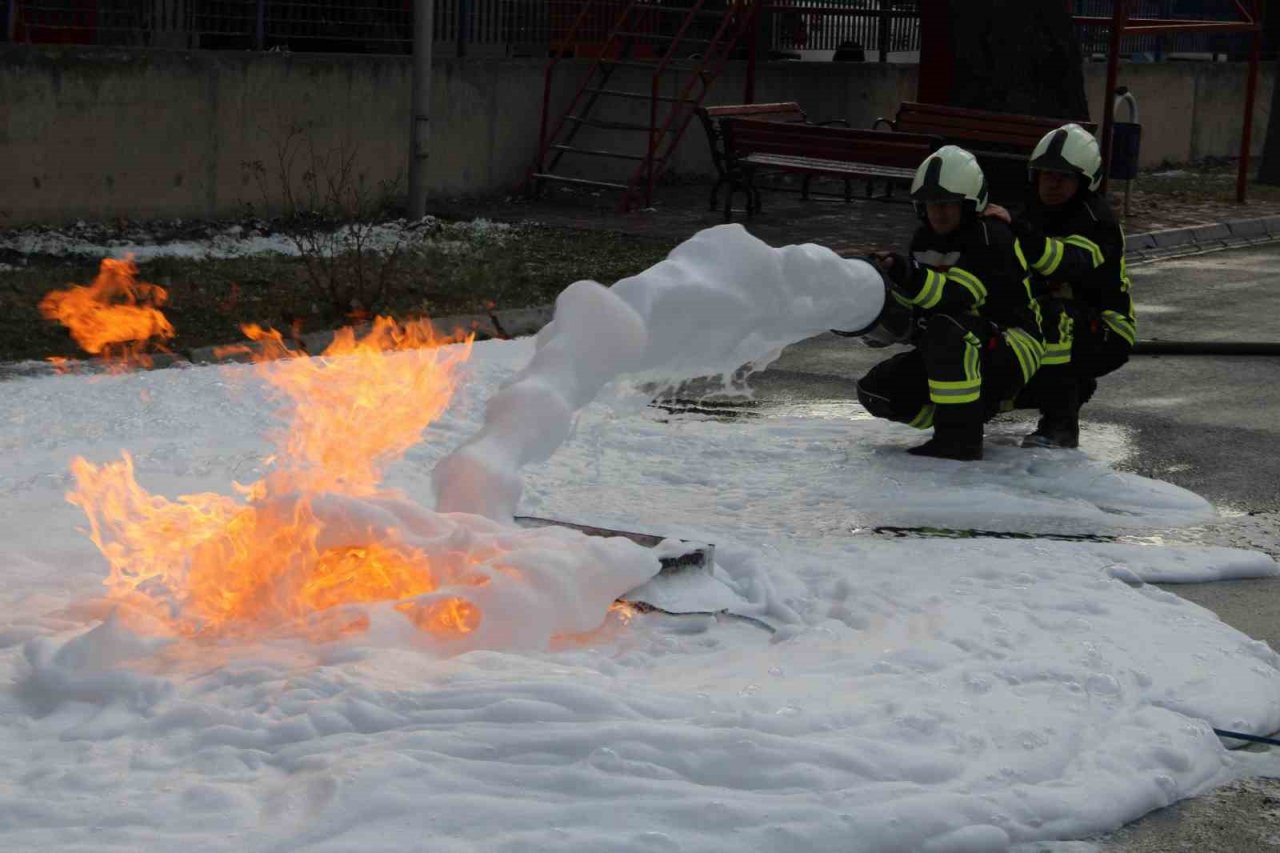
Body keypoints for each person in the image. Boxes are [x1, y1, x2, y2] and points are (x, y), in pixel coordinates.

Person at [855, 146, 1045, 461]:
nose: (938, 212)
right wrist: (874, 299)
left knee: (947, 329)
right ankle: (969, 411)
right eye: (931, 204)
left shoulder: (990, 237)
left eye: (947, 203)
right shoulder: (923, 240)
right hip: (960, 342)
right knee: (876, 391)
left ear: (969, 205)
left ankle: (960, 439)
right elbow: (920, 307)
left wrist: (907, 274)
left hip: (1015, 345)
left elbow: (961, 295)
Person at [989, 123, 1136, 449]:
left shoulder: (1098, 222)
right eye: (1046, 174)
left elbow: (1067, 263)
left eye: (1064, 177)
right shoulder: (1030, 210)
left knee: (1056, 316)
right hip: (1044, 316)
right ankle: (1003, 399)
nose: (1052, 183)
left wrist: (1018, 232)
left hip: (1106, 329)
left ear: (1084, 182)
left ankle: (1060, 424)